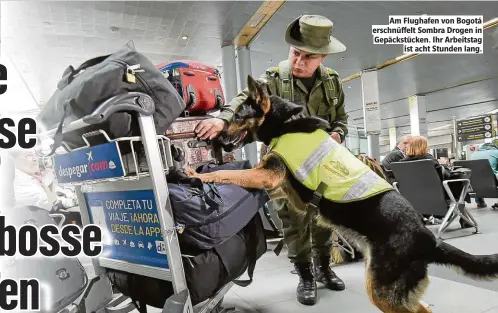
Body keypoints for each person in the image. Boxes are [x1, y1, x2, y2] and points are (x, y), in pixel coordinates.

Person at [194, 15, 347, 305]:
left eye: (308, 57)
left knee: (325, 218)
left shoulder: (332, 83)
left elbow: (341, 119)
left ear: (323, 57)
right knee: (294, 222)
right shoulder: (274, 79)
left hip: (321, 163)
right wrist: (222, 119)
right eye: (295, 53)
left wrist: (338, 135)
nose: (299, 61)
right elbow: (244, 99)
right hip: (282, 166)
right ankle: (305, 275)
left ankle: (325, 269)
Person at [469, 140, 498, 208]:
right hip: (491, 181)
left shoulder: (473, 154)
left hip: (474, 183)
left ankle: (480, 203)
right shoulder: (496, 152)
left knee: (477, 176)